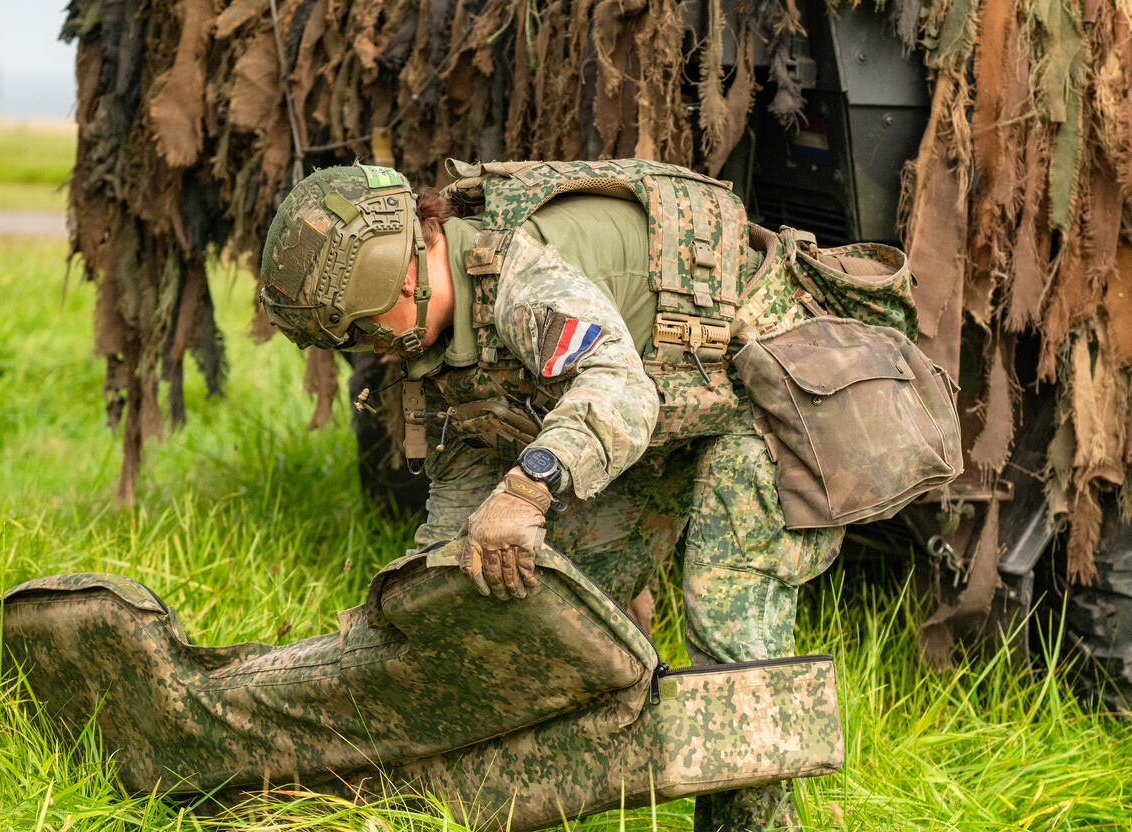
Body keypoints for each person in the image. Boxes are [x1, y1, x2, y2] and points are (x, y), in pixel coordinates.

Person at [259, 160, 844, 831]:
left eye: (360, 330)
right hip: (674, 403)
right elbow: (459, 519)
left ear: (398, 276)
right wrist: (404, 620)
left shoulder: (519, 280)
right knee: (544, 606)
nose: (368, 350)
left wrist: (529, 488)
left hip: (769, 391)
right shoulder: (447, 344)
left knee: (731, 634)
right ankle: (596, 792)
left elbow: (618, 389)